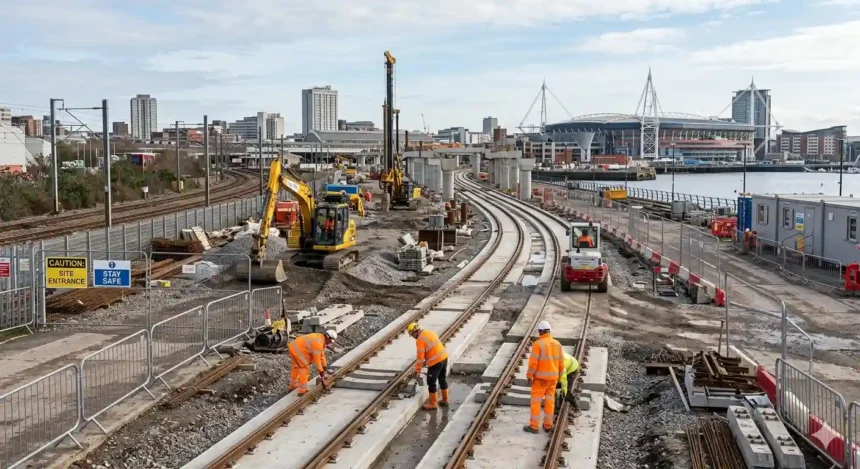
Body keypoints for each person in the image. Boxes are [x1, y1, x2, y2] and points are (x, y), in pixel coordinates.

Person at [525, 320, 563, 434]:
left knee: (536, 402)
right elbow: (561, 364)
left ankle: (534, 426)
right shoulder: (557, 344)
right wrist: (559, 378)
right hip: (553, 379)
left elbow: (533, 364)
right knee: (550, 402)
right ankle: (548, 425)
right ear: (549, 331)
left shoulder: (538, 344)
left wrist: (529, 377)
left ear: (539, 332)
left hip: (540, 380)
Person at [407, 323, 449, 410]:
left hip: (435, 362)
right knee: (442, 379)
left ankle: (433, 403)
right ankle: (445, 400)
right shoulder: (429, 332)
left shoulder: (419, 340)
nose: (413, 337)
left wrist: (417, 370)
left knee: (431, 382)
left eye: (412, 334)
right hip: (444, 357)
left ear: (414, 332)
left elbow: (420, 358)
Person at [288, 330, 337, 395]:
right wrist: (322, 374)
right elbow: (317, 361)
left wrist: (325, 367)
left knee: (296, 367)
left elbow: (322, 356)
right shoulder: (318, 344)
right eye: (330, 341)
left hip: (293, 347)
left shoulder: (320, 338)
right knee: (304, 369)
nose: (330, 343)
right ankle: (302, 391)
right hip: (298, 350)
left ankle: (292, 386)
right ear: (327, 337)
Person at [557, 352, 582, 417]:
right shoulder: (550, 360)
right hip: (566, 366)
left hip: (573, 369)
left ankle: (578, 409)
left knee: (566, 391)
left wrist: (564, 390)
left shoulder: (561, 364)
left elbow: (563, 379)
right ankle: (559, 405)